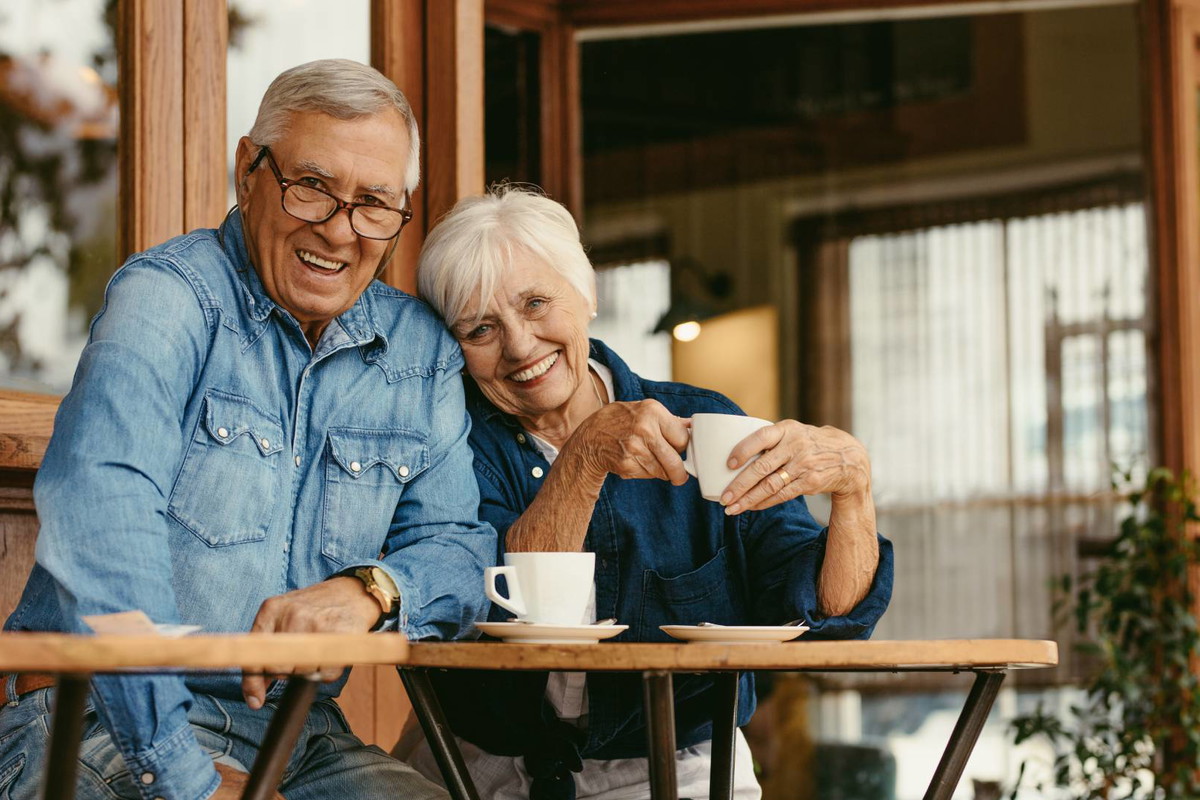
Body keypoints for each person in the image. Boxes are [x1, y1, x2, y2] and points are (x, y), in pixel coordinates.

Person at [0, 59, 493, 800]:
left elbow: (459, 546)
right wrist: (181, 776)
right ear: (248, 171)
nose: (340, 230)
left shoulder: (419, 353)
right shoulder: (167, 301)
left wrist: (374, 589)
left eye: (374, 204)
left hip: (298, 736)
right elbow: (104, 518)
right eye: (312, 186)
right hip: (98, 718)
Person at [404, 185, 894, 800]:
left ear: (586, 292)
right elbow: (516, 615)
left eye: (536, 303)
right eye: (480, 329)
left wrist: (854, 491)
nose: (520, 346)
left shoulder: (705, 425)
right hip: (482, 767)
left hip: (680, 764)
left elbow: (824, 616)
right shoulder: (446, 446)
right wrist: (584, 457)